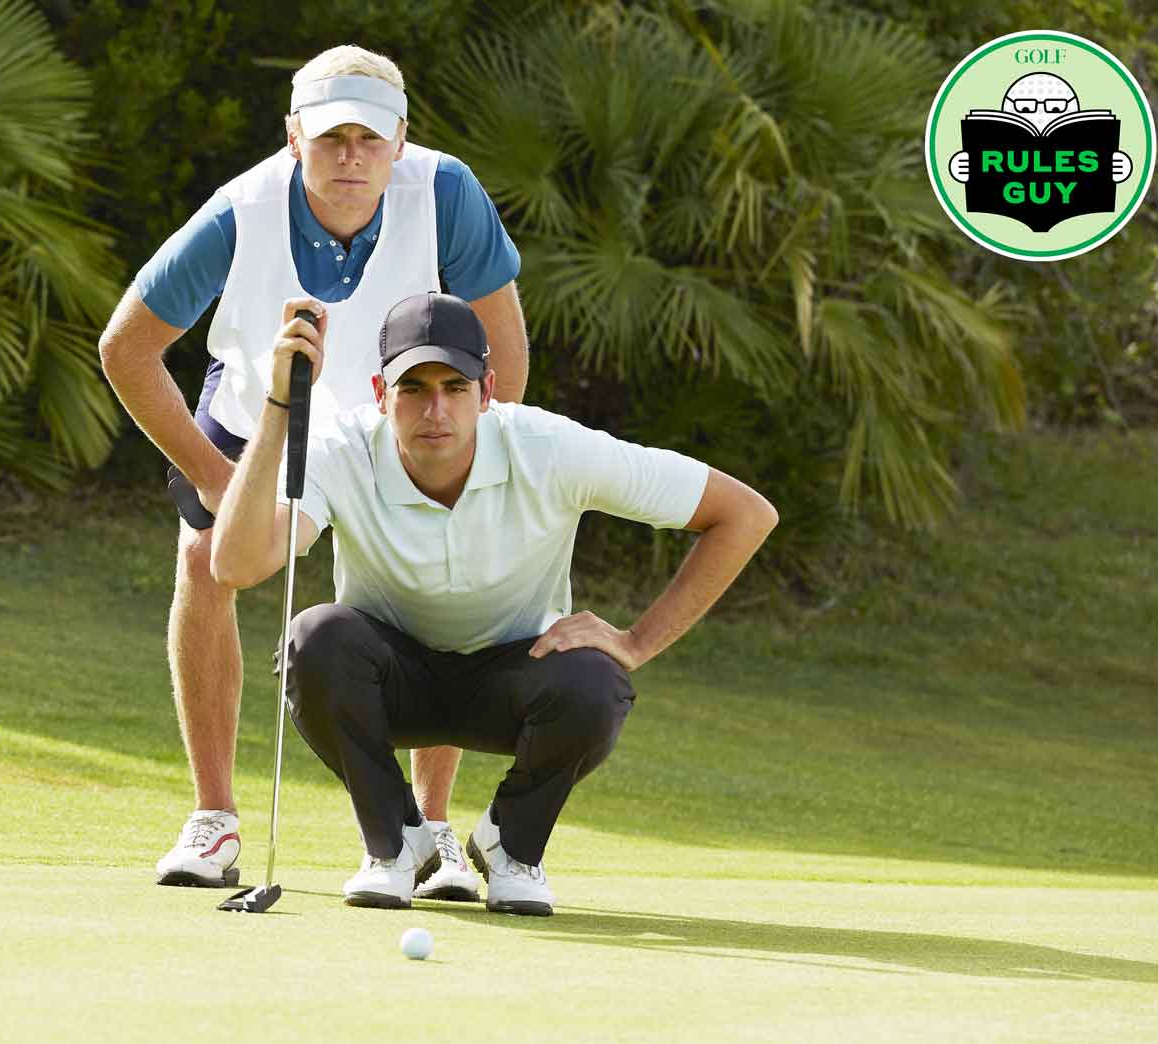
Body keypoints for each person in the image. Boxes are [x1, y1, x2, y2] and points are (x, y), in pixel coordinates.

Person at [97, 45, 529, 897]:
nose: (350, 157)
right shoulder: (242, 211)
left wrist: (464, 464)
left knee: (441, 573)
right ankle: (214, 818)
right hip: (261, 403)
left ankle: (430, 828)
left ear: (400, 139)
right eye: (331, 138)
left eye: (369, 139)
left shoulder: (446, 192)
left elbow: (503, 354)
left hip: (394, 413)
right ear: (295, 137)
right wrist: (212, 478)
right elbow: (127, 348)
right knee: (203, 557)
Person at [209, 292, 779, 915]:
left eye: (455, 387)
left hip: (514, 681)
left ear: (487, 392)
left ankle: (512, 844)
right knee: (315, 638)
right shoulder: (341, 449)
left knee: (596, 681)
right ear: (380, 393)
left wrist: (637, 642)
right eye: (413, 388)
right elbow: (235, 565)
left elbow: (744, 514)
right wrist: (279, 406)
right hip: (391, 682)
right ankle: (395, 842)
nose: (436, 410)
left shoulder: (551, 447)